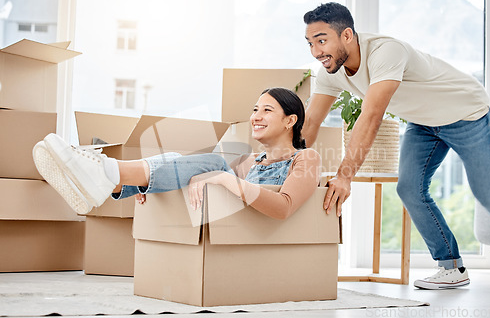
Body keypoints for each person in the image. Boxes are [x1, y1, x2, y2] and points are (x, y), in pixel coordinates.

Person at [302, 2, 490, 289]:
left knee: (489, 194)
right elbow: (310, 124)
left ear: (346, 35)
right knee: (409, 188)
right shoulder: (330, 73)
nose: (316, 52)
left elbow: (371, 118)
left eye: (322, 41)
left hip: (465, 112)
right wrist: (286, 165)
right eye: (310, 43)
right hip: (423, 122)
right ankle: (452, 267)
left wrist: (344, 176)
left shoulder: (385, 52)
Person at [33, 87, 321, 221]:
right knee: (191, 161)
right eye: (255, 110)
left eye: (267, 110)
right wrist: (155, 184)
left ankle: (108, 173)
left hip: (257, 233)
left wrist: (221, 177)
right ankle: (117, 179)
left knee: (216, 163)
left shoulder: (306, 158)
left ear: (290, 120)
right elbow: (225, 188)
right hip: (229, 225)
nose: (256, 116)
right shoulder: (250, 162)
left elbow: (284, 208)